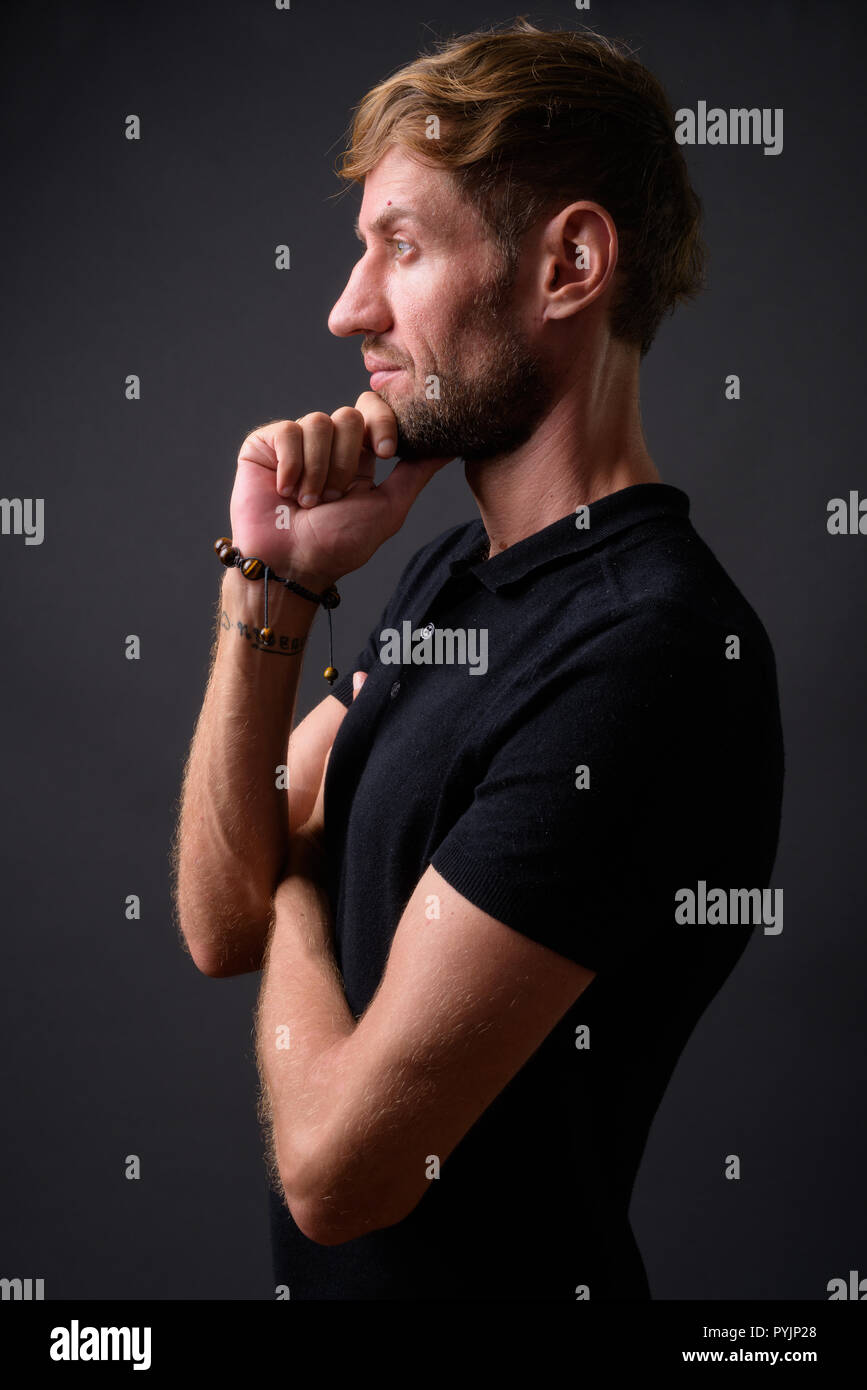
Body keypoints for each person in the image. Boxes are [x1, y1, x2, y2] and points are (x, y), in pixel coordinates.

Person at [172, 21, 784, 1300]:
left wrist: (304, 865)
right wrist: (277, 583)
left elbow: (342, 1171)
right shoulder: (461, 572)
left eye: (400, 245)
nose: (349, 309)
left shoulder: (647, 652)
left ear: (568, 263)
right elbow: (218, 917)